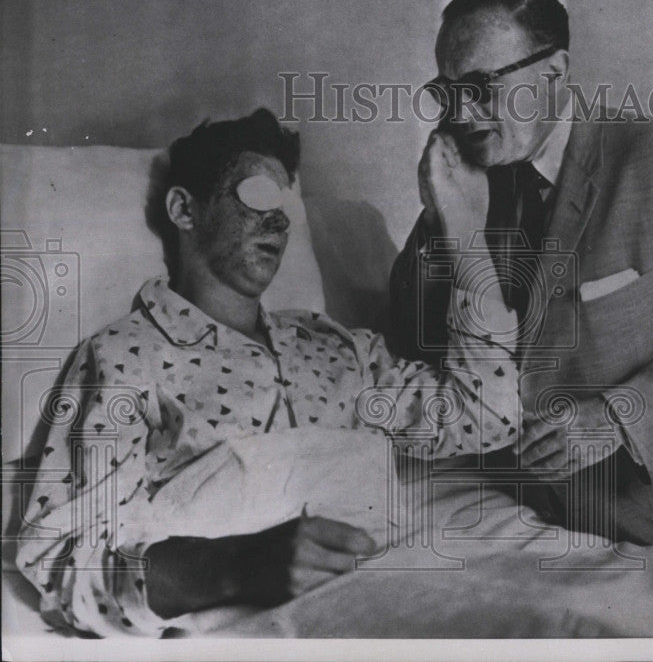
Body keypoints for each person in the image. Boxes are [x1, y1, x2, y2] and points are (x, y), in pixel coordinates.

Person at [16, 108, 520, 637]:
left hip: (396, 600)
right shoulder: (125, 357)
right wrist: (239, 566)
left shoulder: (338, 348)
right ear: (184, 209)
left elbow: (488, 415)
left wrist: (466, 238)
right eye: (256, 196)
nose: (279, 221)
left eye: (284, 207)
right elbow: (62, 562)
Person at [388, 0, 653, 559]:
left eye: (478, 86)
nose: (461, 113)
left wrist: (615, 419)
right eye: (446, 91)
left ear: (553, 73)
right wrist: (445, 223)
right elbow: (409, 337)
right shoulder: (474, 180)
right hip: (542, 526)